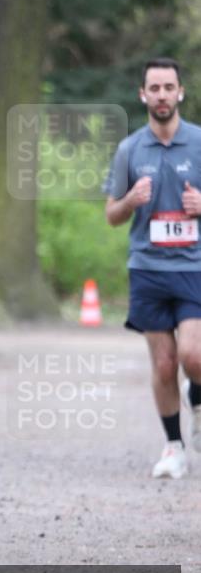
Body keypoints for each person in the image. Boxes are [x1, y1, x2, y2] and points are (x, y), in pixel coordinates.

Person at [104, 59, 201, 478]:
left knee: (193, 356)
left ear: (180, 92)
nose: (162, 95)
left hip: (194, 266)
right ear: (143, 94)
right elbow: (111, 214)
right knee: (163, 364)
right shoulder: (130, 149)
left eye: (168, 87)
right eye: (154, 88)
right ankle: (174, 447)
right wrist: (130, 201)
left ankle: (195, 390)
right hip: (147, 267)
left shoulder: (199, 143)